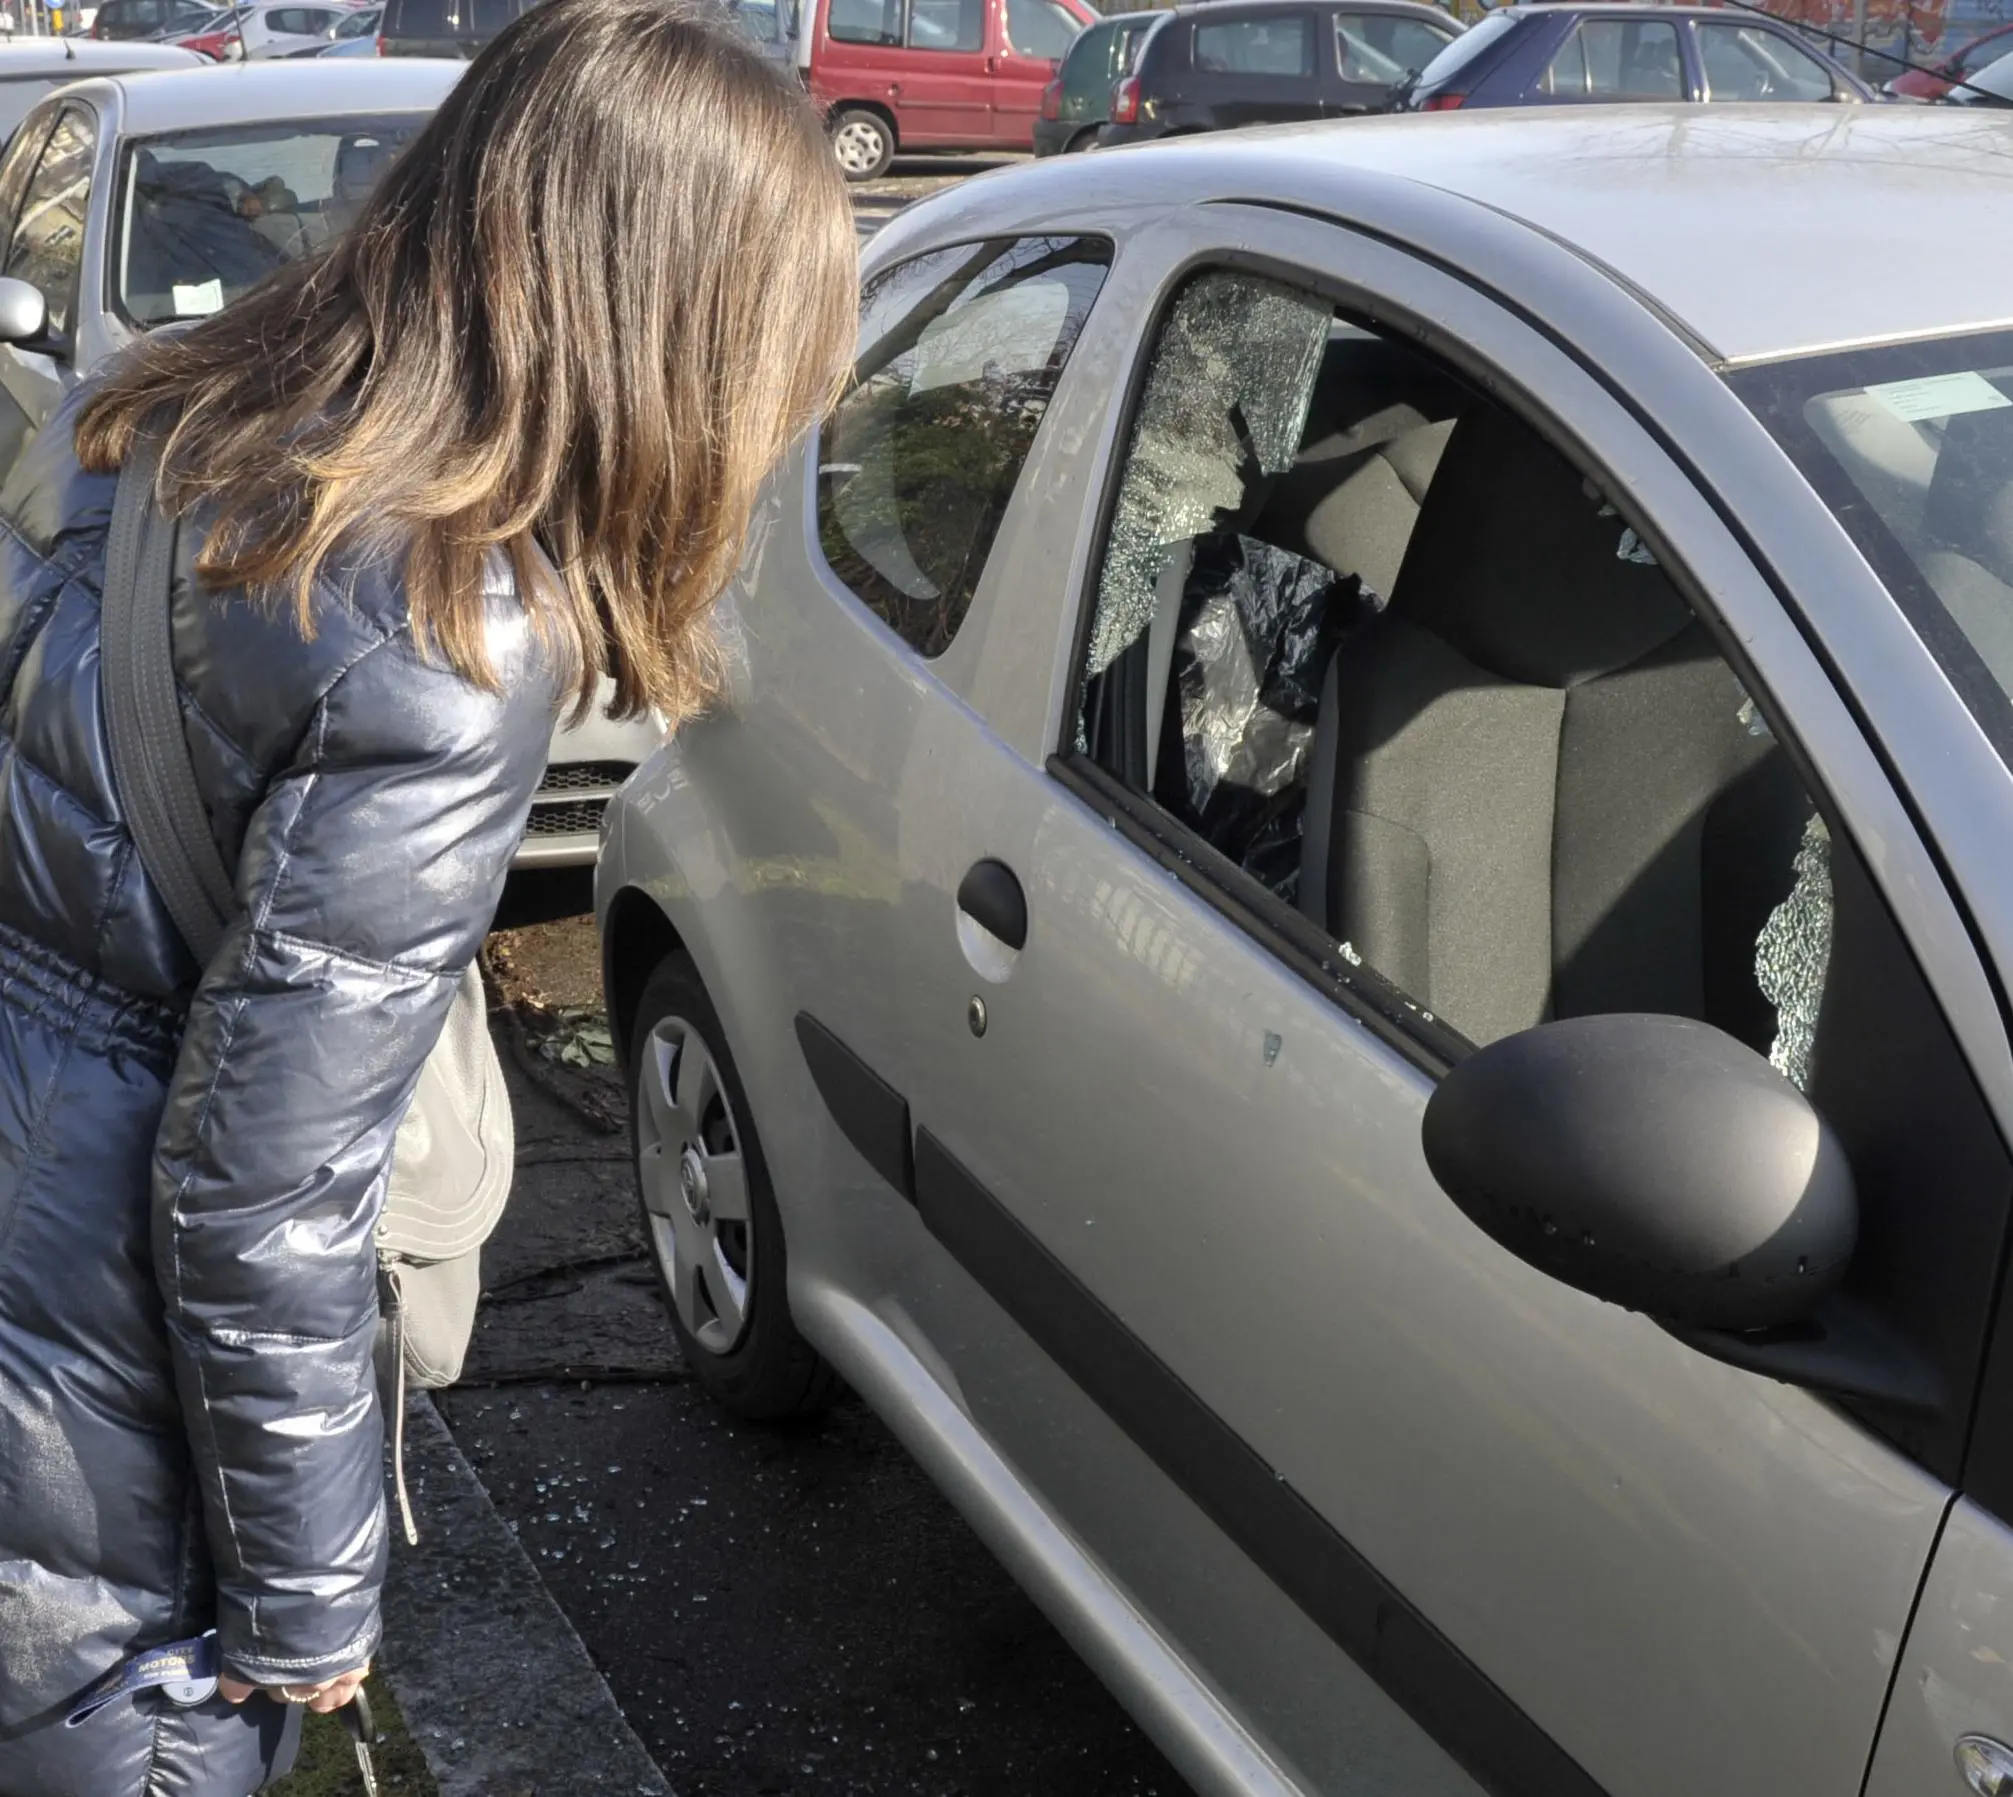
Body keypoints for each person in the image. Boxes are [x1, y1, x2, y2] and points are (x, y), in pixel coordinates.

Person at [0, 0, 856, 1789]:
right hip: (91, 1466)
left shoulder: (168, 411)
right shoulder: (450, 636)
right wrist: (310, 1609)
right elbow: (257, 1196)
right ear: (672, 331)